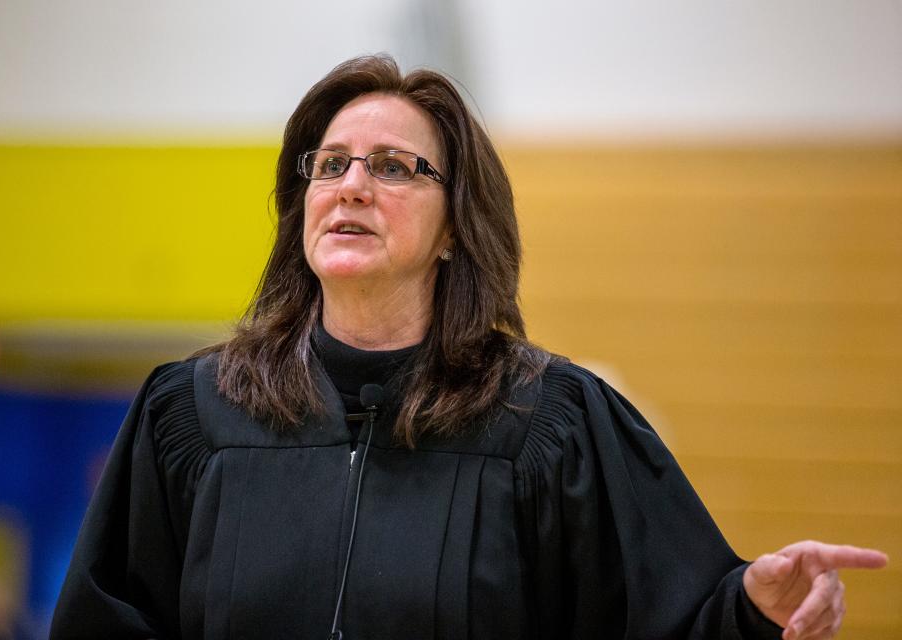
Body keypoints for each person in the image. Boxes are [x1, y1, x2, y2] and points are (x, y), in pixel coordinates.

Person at [50, 55, 887, 640]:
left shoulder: (549, 425)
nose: (350, 185)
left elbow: (666, 615)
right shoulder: (192, 415)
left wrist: (750, 606)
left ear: (454, 227)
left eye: (392, 167)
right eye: (330, 164)